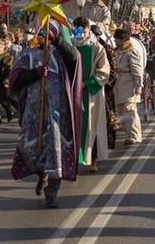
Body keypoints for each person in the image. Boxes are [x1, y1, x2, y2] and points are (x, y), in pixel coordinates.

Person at [8, 20, 81, 208]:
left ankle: (52, 190)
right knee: (30, 147)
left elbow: (74, 58)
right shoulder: (28, 54)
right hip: (34, 112)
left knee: (56, 150)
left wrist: (57, 42)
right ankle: (42, 174)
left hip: (58, 112)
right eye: (42, 34)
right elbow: (15, 79)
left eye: (48, 34)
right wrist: (35, 73)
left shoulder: (61, 53)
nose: (44, 37)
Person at [73, 17, 110, 173]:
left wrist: (86, 83)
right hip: (73, 93)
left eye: (84, 31)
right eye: (78, 31)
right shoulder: (71, 47)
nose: (81, 35)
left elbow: (104, 71)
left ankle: (92, 160)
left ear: (89, 29)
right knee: (74, 126)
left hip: (91, 94)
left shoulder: (97, 48)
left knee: (92, 126)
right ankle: (73, 159)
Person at [113, 28, 144, 145]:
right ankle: (128, 133)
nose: (115, 41)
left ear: (122, 40)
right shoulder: (116, 51)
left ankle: (135, 135)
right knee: (121, 111)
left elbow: (137, 71)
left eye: (117, 39)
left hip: (128, 84)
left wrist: (138, 86)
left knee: (130, 111)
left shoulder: (132, 52)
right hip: (118, 84)